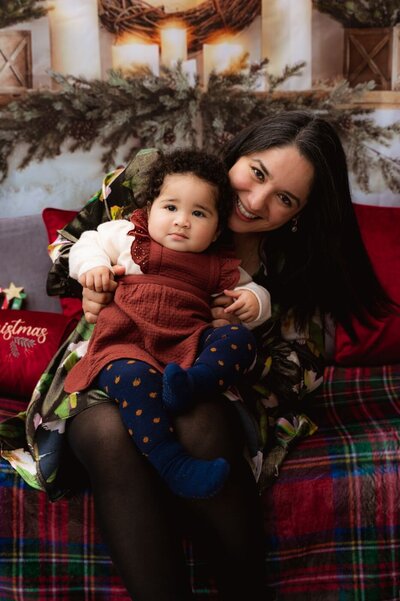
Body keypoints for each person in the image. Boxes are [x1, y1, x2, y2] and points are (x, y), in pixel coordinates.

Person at [1, 110, 394, 601]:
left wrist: (241, 333)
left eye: (284, 199)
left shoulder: (289, 261)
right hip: (109, 358)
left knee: (197, 416)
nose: (255, 202)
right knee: (106, 431)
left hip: (205, 377)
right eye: (256, 174)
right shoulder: (157, 176)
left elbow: (303, 373)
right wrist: (91, 281)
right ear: (239, 151)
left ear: (300, 214)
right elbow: (68, 245)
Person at [64, 149, 271, 499]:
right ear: (149, 209)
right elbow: (87, 243)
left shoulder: (217, 263)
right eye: (171, 207)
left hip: (187, 347)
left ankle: (194, 383)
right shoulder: (128, 237)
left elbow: (254, 290)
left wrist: (255, 302)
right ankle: (175, 464)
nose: (182, 221)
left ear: (218, 227)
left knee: (237, 337)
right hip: (126, 345)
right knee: (132, 380)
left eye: (199, 213)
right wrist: (93, 267)